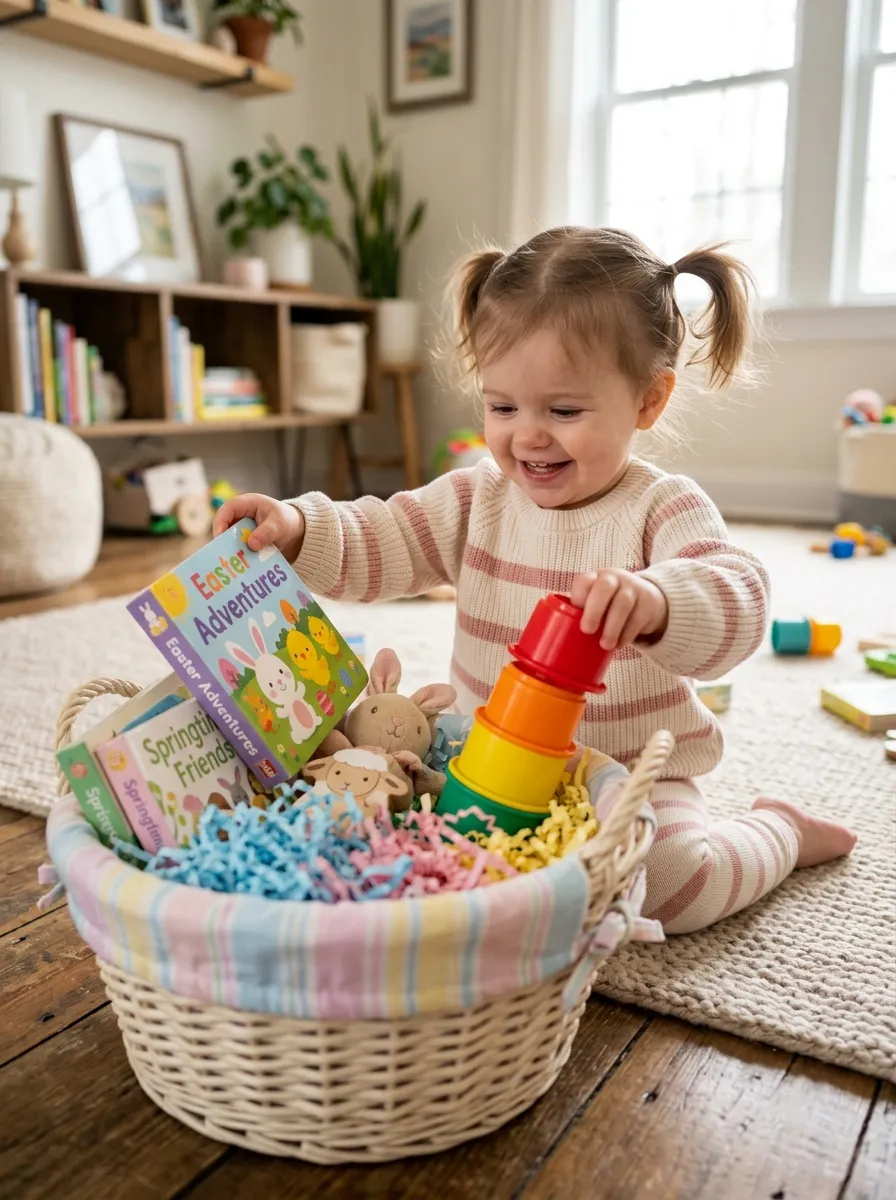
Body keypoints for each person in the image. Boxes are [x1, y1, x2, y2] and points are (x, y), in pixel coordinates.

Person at [213, 226, 856, 934]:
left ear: (649, 400)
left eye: (564, 411)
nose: (528, 436)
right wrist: (299, 529)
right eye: (502, 407)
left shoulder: (661, 505)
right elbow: (381, 537)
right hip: (476, 763)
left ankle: (780, 833)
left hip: (630, 772)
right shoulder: (473, 499)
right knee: (397, 846)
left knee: (668, 883)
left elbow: (736, 594)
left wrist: (660, 602)